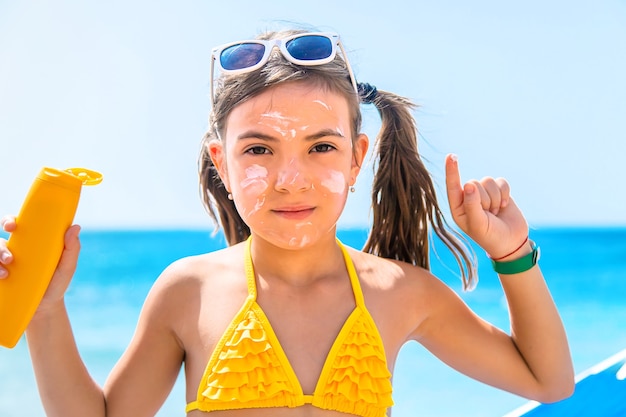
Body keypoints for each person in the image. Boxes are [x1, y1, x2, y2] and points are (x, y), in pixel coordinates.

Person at [0, 28, 574, 417]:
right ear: (221, 163)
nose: (290, 179)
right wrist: (45, 311)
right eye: (259, 150)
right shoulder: (189, 291)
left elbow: (547, 381)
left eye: (321, 147)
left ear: (357, 157)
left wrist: (512, 253)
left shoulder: (400, 292)